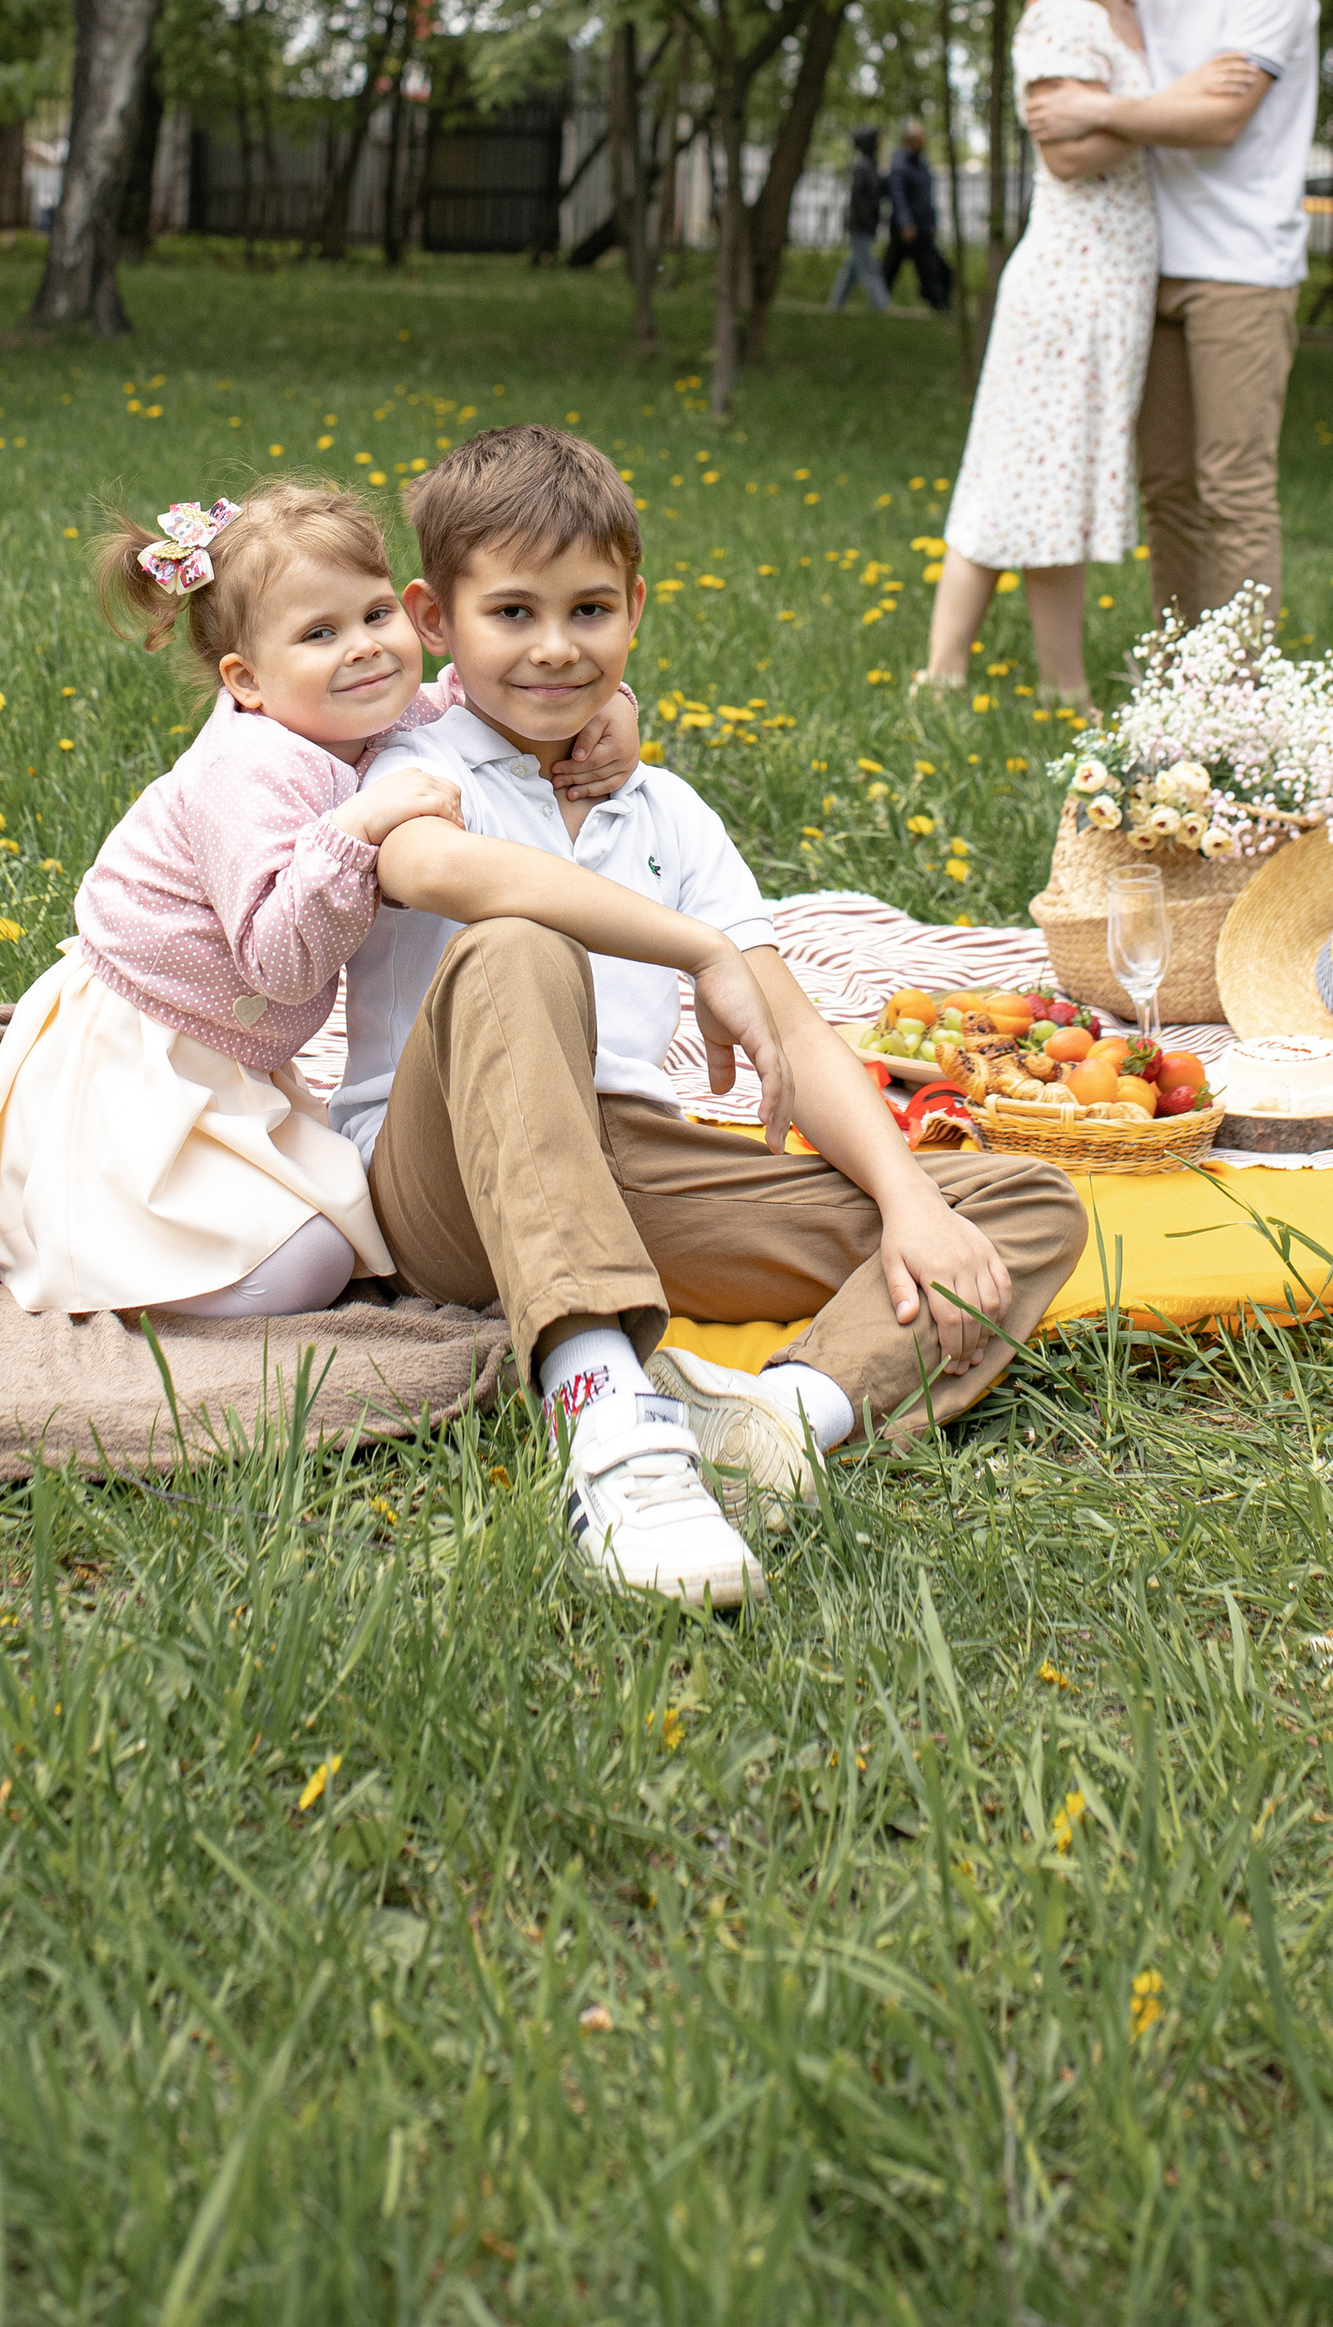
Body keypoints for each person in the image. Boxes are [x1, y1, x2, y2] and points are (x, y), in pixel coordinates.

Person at [331, 426, 1089, 1612]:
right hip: (442, 1181)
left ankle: (776, 1421)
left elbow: (792, 1032)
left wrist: (905, 1202)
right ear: (436, 621)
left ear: (635, 606)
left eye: (589, 612)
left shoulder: (667, 811)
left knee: (1010, 1205)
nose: (554, 649)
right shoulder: (402, 761)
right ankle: (610, 1428)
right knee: (519, 948)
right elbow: (439, 871)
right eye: (512, 615)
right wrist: (694, 951)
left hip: (632, 1168)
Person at [0, 482, 651, 1323]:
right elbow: (281, 962)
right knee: (306, 1265)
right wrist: (357, 828)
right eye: (320, 633)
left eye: (376, 614)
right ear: (247, 680)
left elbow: (485, 701)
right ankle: (80, 1255)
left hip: (234, 1059)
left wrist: (611, 710)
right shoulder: (248, 769)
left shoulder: (364, 713)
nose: (366, 648)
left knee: (337, 1227)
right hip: (144, 1055)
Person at [1024, 0, 1320, 629]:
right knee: (1168, 493)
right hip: (1147, 264)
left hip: (1242, 269)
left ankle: (1235, 699)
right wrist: (1129, 109)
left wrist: (1096, 110)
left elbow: (1221, 121)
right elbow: (1157, 105)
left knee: (1232, 489)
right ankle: (1176, 679)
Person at [922, 0, 1199, 709]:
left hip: (1110, 287)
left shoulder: (1136, 11)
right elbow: (1067, 154)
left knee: (1045, 482)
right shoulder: (1064, 17)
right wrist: (1174, 114)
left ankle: (1006, 681)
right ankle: (990, 682)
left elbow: (1098, 125)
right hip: (1067, 285)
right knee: (1027, 482)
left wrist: (1129, 111)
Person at [882, 117, 952, 313]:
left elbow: (927, 199)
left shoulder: (922, 163)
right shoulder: (899, 164)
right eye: (917, 138)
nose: (921, 141)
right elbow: (897, 195)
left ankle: (936, 301)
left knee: (936, 269)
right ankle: (938, 303)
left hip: (922, 229)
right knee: (893, 267)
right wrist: (905, 223)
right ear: (908, 140)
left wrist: (932, 224)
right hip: (906, 229)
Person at [826, 125, 891, 311]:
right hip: (861, 226)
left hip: (866, 226)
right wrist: (867, 218)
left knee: (852, 269)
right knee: (870, 268)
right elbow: (861, 199)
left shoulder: (869, 165)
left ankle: (835, 306)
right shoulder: (863, 167)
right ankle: (882, 306)